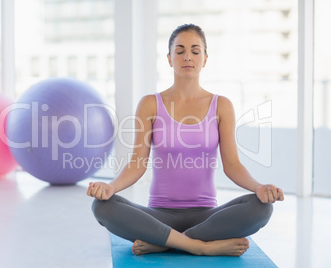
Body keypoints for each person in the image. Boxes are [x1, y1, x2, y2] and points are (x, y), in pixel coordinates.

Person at [87, 24, 284, 257]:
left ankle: (165, 243)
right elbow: (137, 164)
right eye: (179, 51)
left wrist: (259, 187)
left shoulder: (221, 105)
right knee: (103, 207)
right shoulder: (151, 103)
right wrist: (111, 187)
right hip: (158, 215)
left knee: (261, 208)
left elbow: (232, 165)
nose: (187, 57)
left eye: (195, 51)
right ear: (170, 59)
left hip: (207, 216)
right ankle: (199, 246)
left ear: (205, 59)